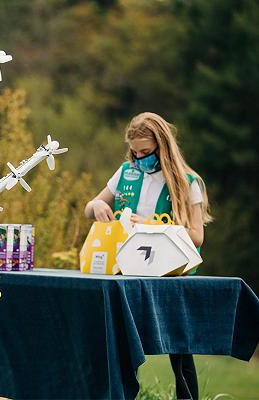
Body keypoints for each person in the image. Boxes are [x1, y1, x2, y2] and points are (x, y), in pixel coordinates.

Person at [84, 112, 213, 400]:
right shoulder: (126, 172)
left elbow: (196, 235)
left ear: (162, 146)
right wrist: (96, 206)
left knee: (178, 345)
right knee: (119, 339)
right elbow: (91, 207)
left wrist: (153, 226)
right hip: (126, 270)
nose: (140, 157)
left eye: (146, 151)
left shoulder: (188, 181)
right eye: (135, 151)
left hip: (169, 276)